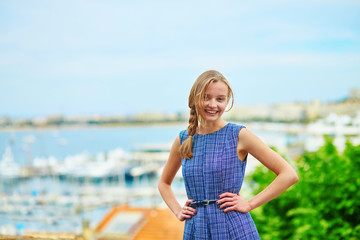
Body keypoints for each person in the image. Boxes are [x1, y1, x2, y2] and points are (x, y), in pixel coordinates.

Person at [158, 70, 299, 239]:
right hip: (196, 230)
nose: (213, 104)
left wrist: (249, 204)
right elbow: (164, 183)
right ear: (195, 98)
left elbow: (289, 174)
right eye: (206, 97)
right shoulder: (183, 139)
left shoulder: (239, 135)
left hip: (234, 228)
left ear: (227, 102)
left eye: (220, 99)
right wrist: (178, 210)